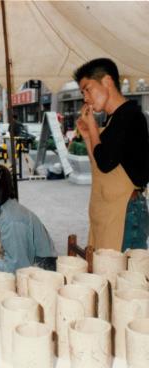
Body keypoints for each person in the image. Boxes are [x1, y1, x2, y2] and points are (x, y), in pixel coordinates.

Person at [74, 58, 149, 251]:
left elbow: (106, 162)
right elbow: (98, 165)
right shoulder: (113, 121)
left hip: (125, 214)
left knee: (123, 276)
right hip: (108, 214)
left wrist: (91, 125)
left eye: (87, 89)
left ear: (107, 81)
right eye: (83, 93)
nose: (85, 98)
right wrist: (88, 136)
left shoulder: (130, 115)